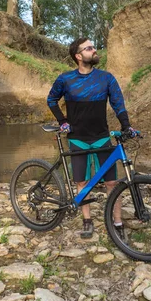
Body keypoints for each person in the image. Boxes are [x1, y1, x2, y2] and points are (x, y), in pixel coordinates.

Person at [47, 37, 137, 239]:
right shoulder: (65, 79)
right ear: (79, 56)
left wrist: (126, 126)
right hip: (77, 138)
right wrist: (62, 122)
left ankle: (117, 222)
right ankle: (87, 221)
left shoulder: (106, 78)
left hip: (101, 137)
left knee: (112, 182)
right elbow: (51, 99)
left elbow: (118, 103)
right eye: (89, 48)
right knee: (82, 182)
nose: (94, 50)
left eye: (93, 47)